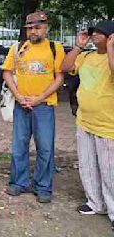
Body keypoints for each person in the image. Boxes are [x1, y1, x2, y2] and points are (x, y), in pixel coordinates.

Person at [2, 11, 65, 203]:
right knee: (19, 146)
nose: (33, 31)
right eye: (29, 28)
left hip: (44, 106)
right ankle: (18, 182)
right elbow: (6, 73)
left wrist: (39, 98)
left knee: (45, 147)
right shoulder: (18, 48)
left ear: (46, 27)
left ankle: (43, 186)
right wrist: (19, 96)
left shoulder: (55, 48)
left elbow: (60, 78)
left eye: (37, 27)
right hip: (22, 105)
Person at [60, 21, 114, 230]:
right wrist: (78, 46)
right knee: (88, 165)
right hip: (85, 120)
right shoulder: (86, 56)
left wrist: (110, 48)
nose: (94, 35)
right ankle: (95, 203)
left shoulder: (110, 56)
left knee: (109, 171)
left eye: (99, 33)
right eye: (92, 32)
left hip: (108, 124)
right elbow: (64, 67)